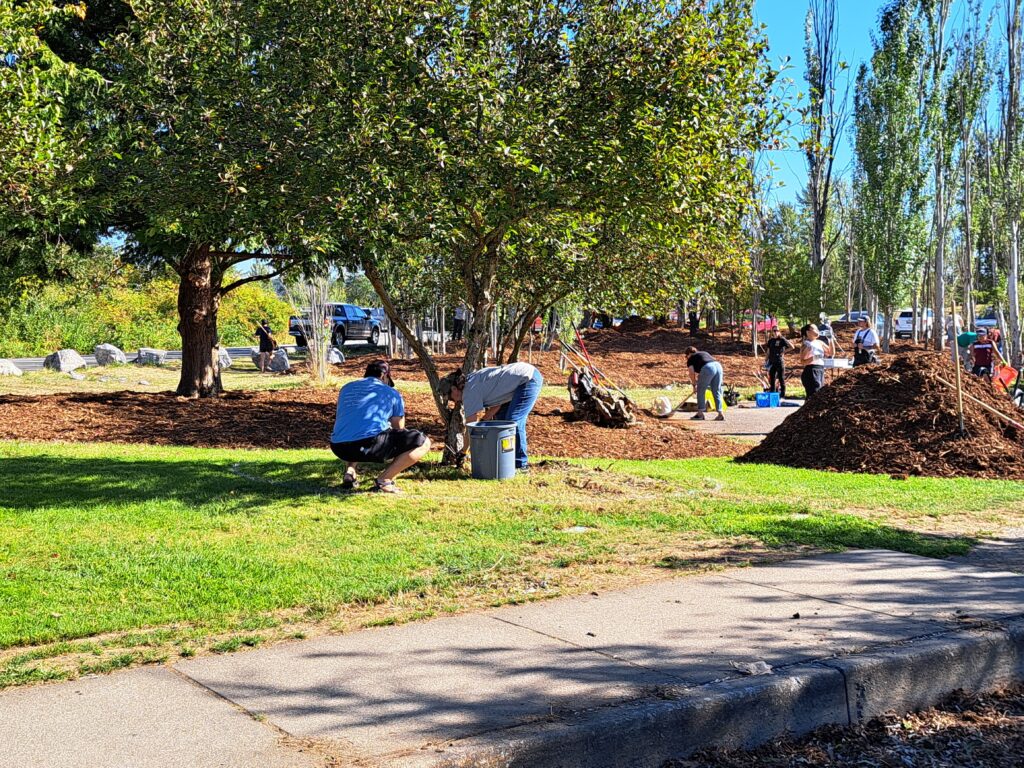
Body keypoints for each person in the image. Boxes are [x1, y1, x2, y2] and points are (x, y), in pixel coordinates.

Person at [330, 361, 430, 494]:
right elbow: (399, 428)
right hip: (368, 445)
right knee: (423, 442)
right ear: (384, 376)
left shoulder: (346, 388)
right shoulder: (392, 393)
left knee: (356, 428)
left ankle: (350, 471)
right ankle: (385, 479)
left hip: (338, 447)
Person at [439, 362, 543, 471]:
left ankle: (521, 465)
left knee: (513, 421)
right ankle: (506, 462)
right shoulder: (471, 382)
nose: (453, 401)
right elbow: (498, 403)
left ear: (454, 389)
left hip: (528, 379)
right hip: (519, 381)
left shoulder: (469, 392)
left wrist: (464, 451)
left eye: (450, 397)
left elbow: (471, 428)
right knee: (502, 423)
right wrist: (484, 420)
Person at [684, 346, 724, 421]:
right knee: (717, 390)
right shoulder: (704, 353)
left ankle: (700, 414)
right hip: (718, 366)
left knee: (700, 390)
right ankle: (720, 413)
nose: (686, 358)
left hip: (708, 368)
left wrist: (694, 384)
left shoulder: (691, 359)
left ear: (688, 354)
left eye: (686, 356)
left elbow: (691, 372)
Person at [798, 323, 834, 398]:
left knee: (819, 393)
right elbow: (802, 361)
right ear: (808, 332)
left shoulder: (819, 342)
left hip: (820, 369)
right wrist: (814, 357)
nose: (817, 331)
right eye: (815, 329)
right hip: (811, 371)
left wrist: (830, 339)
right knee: (814, 394)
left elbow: (831, 353)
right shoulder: (806, 344)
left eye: (818, 329)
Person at [765, 327, 794, 398]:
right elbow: (768, 350)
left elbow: (792, 347)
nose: (775, 332)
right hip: (772, 361)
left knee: (781, 378)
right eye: (774, 330)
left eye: (777, 330)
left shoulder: (782, 339)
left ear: (779, 332)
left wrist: (783, 352)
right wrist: (766, 358)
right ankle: (772, 393)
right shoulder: (771, 340)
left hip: (779, 361)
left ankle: (782, 394)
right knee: (772, 378)